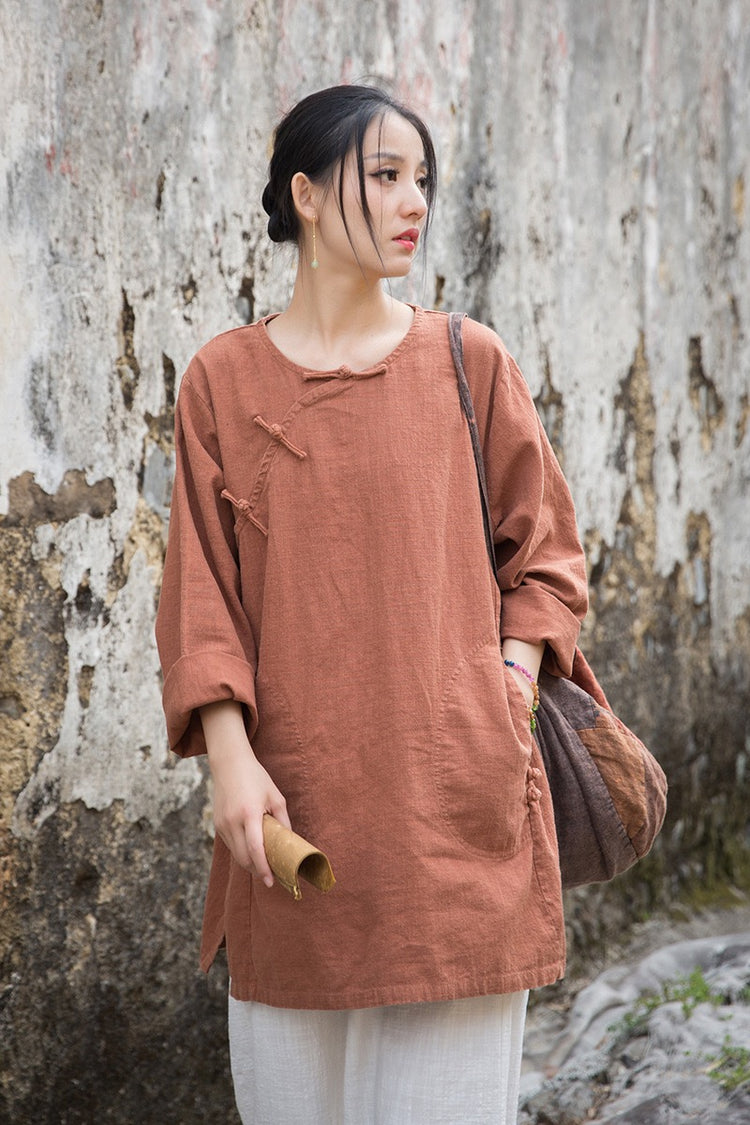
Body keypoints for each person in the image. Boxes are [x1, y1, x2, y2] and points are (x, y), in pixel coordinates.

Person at [155, 83, 588, 1125]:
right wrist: (230, 759)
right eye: (386, 175)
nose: (415, 202)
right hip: (294, 822)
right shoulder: (222, 382)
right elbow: (202, 593)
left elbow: (545, 558)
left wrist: (510, 688)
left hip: (457, 821)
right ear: (305, 195)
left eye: (421, 179)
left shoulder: (468, 361)